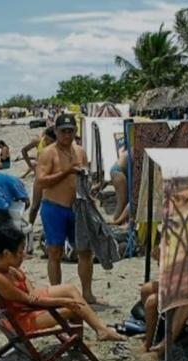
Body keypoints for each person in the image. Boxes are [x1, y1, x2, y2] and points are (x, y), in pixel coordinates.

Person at [0, 227, 125, 341]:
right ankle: (82, 340)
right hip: (22, 318)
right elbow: (30, 302)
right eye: (20, 253)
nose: (23, 256)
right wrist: (64, 302)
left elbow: (25, 280)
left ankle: (101, 329)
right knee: (74, 307)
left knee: (70, 289)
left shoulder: (3, 264)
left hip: (26, 304)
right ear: (6, 253)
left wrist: (31, 289)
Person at [36, 113, 101, 305]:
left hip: (78, 208)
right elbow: (40, 181)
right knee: (55, 251)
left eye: (70, 131)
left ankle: (87, 293)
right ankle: (57, 293)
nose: (67, 135)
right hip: (54, 208)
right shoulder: (49, 153)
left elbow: (85, 177)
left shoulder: (80, 151)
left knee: (85, 251)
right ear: (56, 131)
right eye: (63, 131)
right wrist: (67, 172)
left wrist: (90, 191)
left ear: (75, 132)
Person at [18, 127, 57, 225]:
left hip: (53, 177)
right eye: (47, 139)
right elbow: (24, 151)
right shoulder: (38, 142)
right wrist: (30, 166)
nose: (48, 142)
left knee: (51, 205)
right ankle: (31, 225)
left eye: (51, 141)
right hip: (40, 177)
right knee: (35, 206)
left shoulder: (57, 146)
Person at [110, 147, 129, 225]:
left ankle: (118, 221)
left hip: (117, 170)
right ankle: (116, 221)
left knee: (123, 201)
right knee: (122, 202)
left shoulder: (133, 149)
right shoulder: (139, 152)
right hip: (118, 171)